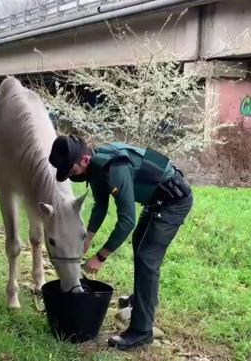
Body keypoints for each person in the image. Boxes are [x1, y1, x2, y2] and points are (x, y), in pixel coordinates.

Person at [48, 135, 193, 350]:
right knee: (140, 246)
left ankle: (141, 332)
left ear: (85, 160)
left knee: (147, 257)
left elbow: (126, 221)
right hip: (156, 201)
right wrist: (88, 238)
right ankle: (144, 301)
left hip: (173, 202)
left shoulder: (113, 168)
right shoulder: (95, 168)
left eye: (72, 170)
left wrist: (100, 256)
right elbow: (100, 205)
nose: (72, 176)